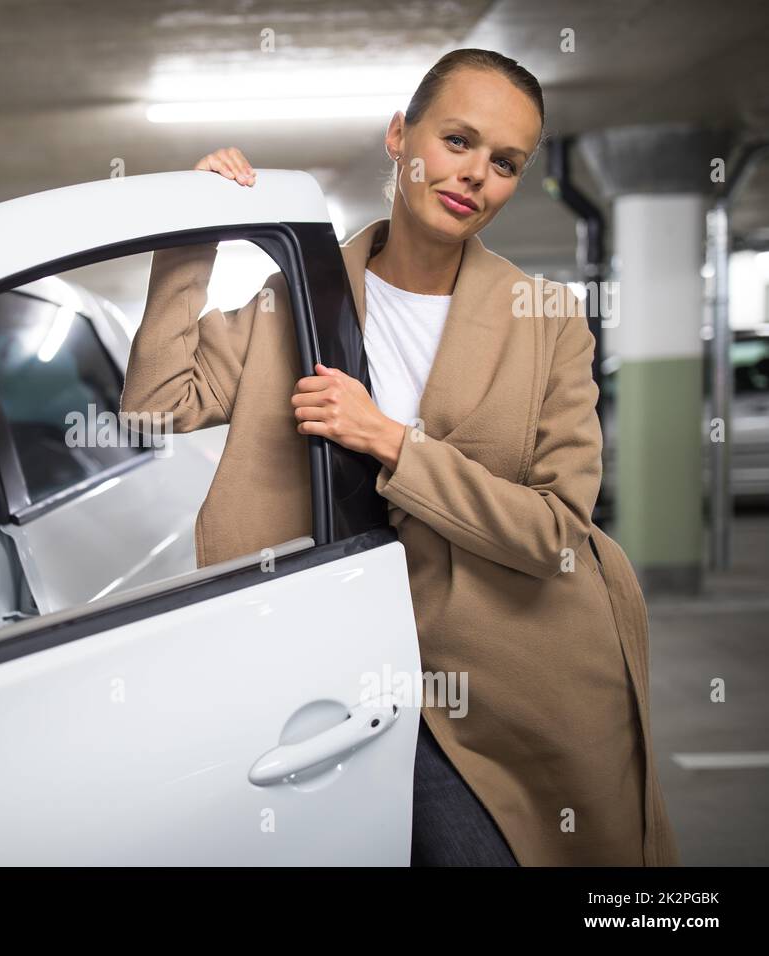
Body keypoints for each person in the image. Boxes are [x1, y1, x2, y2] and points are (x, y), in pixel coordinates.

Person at [119, 48, 679, 866]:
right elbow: (153, 408)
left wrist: (390, 440)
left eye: (505, 163)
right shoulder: (295, 306)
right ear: (399, 136)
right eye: (457, 140)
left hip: (523, 668)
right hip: (353, 667)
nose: (474, 175)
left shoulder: (548, 318)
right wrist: (191, 238)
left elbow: (557, 532)